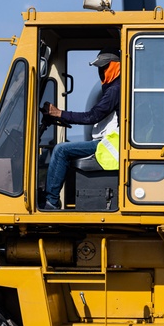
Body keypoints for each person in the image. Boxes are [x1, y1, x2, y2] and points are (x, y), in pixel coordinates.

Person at [42, 50, 121, 210]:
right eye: (99, 68)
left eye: (104, 67)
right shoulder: (114, 88)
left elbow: (91, 117)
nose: (101, 72)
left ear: (115, 66)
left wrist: (59, 113)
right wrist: (61, 117)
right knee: (66, 151)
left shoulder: (115, 89)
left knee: (60, 150)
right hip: (107, 144)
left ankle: (51, 202)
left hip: (110, 147)